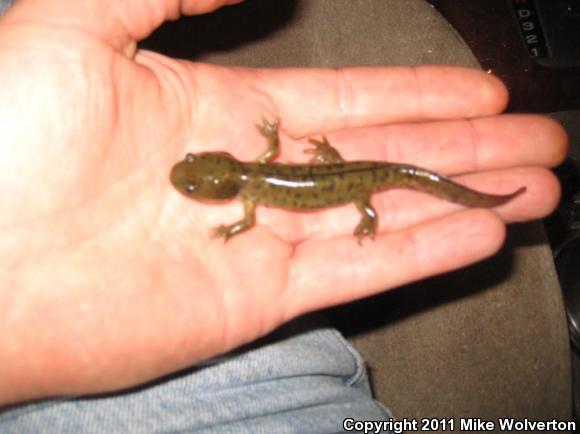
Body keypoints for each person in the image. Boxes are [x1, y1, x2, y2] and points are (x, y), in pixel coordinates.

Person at [0, 0, 567, 431]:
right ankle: (396, 194)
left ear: (220, 174)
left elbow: (250, 211)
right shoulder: (251, 171)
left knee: (389, 184)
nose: (195, 170)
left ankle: (418, 200)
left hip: (354, 181)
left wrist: (355, 212)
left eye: (196, 170)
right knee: (378, 181)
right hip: (345, 175)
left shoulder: (246, 197)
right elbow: (268, 158)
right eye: (198, 175)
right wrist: (294, 151)